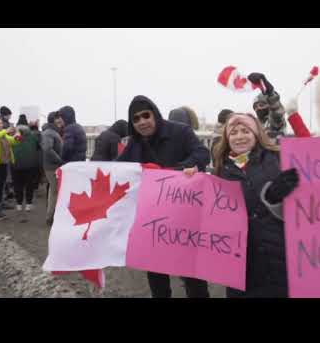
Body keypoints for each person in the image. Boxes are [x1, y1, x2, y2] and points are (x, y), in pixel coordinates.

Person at [117, 95, 211, 298]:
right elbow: (117, 170)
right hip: (153, 220)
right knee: (156, 275)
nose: (142, 122)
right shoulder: (134, 144)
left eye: (146, 115)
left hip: (183, 217)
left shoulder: (181, 131)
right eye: (136, 119)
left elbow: (203, 154)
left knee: (192, 275)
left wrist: (174, 172)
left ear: (155, 114)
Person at [212, 113, 299, 298]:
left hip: (279, 258)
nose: (239, 136)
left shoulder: (277, 158)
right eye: (233, 132)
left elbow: (299, 200)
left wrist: (276, 194)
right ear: (227, 138)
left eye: (246, 131)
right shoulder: (220, 169)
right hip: (241, 266)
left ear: (257, 134)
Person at [11, 114, 40, 211]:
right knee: (29, 185)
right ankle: (28, 204)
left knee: (17, 184)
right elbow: (39, 145)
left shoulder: (13, 135)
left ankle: (19, 204)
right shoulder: (32, 135)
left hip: (15, 163)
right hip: (30, 164)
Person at [247, 73, 287, 140]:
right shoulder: (255, 126)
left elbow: (276, 110)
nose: (258, 108)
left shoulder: (275, 121)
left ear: (269, 105)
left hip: (275, 149)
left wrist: (270, 93)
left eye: (261, 105)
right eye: (255, 107)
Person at [41, 111, 64, 226]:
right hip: (52, 167)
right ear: (52, 120)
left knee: (53, 191)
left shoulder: (53, 131)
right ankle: (50, 218)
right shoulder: (49, 133)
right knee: (54, 191)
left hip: (53, 166)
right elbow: (47, 149)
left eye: (60, 118)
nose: (60, 120)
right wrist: (59, 160)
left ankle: (51, 216)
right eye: (57, 118)